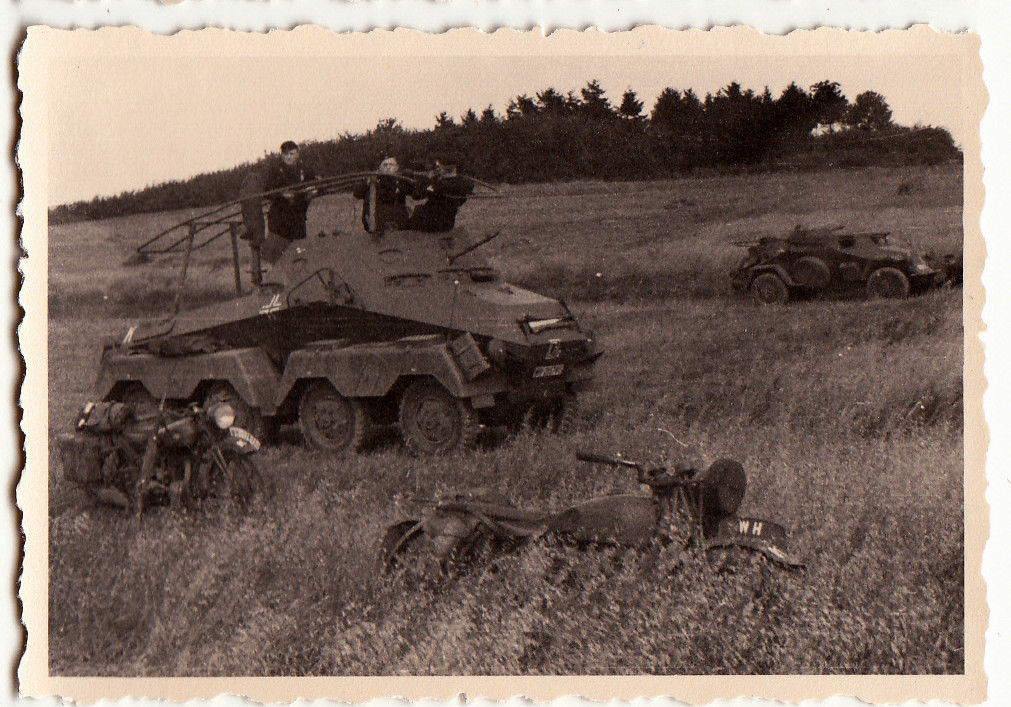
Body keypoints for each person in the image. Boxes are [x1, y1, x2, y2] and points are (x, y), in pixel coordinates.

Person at [263, 141, 317, 251]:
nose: (288, 158)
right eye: (285, 155)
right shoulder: (276, 171)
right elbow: (267, 191)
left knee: (299, 253)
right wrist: (282, 195)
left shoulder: (304, 169)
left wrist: (313, 190)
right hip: (279, 220)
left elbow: (316, 184)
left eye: (291, 154)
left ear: (297, 154)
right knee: (279, 256)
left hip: (298, 218)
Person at [406, 157, 474, 233]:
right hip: (449, 222)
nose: (437, 169)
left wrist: (425, 182)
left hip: (431, 222)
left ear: (444, 168)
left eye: (439, 166)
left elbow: (416, 196)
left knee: (412, 214)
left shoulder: (439, 184)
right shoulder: (463, 183)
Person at [352, 157, 410, 234]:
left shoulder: (401, 181)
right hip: (376, 225)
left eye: (391, 165)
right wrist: (367, 183)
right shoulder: (373, 180)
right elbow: (357, 193)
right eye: (385, 165)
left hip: (396, 225)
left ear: (397, 167)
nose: (388, 167)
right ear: (379, 168)